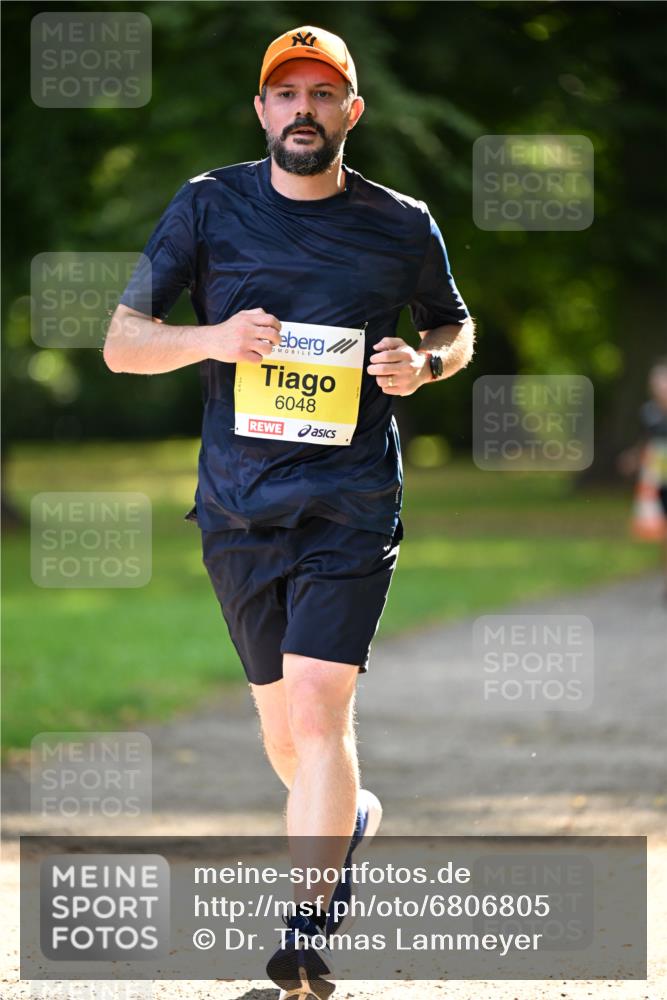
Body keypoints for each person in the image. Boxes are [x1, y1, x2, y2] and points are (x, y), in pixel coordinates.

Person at [104, 23, 474, 999]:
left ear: (352, 110)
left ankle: (303, 932)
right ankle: (347, 821)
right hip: (238, 509)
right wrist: (212, 338)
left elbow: (452, 323)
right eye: (286, 93)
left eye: (322, 94)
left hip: (351, 504)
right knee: (288, 738)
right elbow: (123, 343)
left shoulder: (401, 223)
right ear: (262, 110)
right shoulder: (207, 205)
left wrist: (426, 363)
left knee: (316, 709)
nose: (303, 110)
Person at [619, 358, 667, 600]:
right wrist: (633, 458)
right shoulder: (649, 412)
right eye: (657, 382)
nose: (660, 387)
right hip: (658, 478)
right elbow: (645, 441)